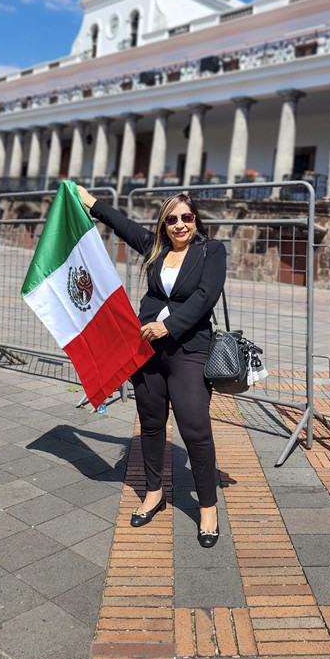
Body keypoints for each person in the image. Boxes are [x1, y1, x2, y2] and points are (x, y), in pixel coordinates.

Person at [76, 185, 227, 547]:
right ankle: (154, 492)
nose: (179, 225)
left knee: (195, 428)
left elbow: (207, 296)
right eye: (172, 219)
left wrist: (169, 325)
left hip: (189, 350)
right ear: (164, 224)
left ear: (196, 220)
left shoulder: (211, 251)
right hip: (147, 351)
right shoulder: (155, 248)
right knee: (151, 425)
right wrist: (89, 201)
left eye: (186, 218)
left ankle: (207, 507)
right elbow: (122, 225)